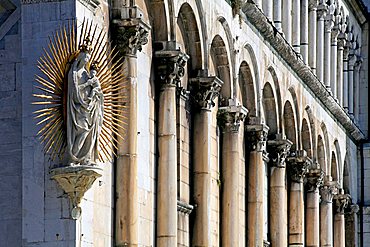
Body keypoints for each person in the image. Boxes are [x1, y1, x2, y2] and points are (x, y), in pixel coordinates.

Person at [66, 42, 104, 166]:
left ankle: (86, 158)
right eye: (85, 57)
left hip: (88, 107)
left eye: (88, 57)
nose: (87, 59)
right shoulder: (74, 73)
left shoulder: (87, 74)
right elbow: (74, 91)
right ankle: (74, 158)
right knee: (82, 131)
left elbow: (95, 88)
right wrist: (85, 91)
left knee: (89, 131)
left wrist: (95, 97)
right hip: (78, 107)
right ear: (80, 58)